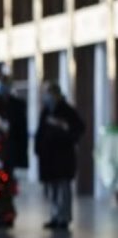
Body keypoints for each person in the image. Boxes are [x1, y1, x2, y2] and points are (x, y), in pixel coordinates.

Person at [34, 82, 84, 230]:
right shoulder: (46, 112)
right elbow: (40, 133)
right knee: (53, 190)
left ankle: (64, 217)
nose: (47, 97)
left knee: (64, 189)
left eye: (49, 93)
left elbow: (78, 129)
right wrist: (38, 150)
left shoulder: (68, 111)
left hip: (63, 159)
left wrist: (64, 131)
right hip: (49, 159)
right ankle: (55, 216)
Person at [0, 75, 28, 229]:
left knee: (5, 185)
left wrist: (22, 157)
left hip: (8, 154)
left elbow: (21, 133)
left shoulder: (16, 106)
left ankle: (5, 215)